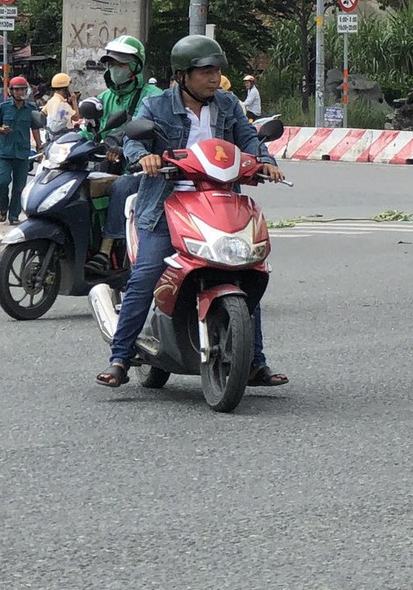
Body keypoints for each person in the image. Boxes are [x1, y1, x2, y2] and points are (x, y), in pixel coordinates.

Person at [97, 34, 287, 390]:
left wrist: (264, 162)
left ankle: (254, 361)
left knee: (245, 272)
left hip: (219, 201)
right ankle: (120, 357)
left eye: (216, 71)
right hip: (167, 205)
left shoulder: (228, 104)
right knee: (146, 275)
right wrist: (144, 157)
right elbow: (133, 138)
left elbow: (249, 139)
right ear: (182, 74)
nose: (214, 78)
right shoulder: (157, 106)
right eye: (205, 72)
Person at [94, 36, 164, 254]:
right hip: (106, 164)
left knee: (120, 188)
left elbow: (157, 136)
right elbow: (90, 129)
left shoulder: (153, 98)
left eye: (121, 64)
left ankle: (106, 249)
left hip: (140, 169)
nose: (115, 69)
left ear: (135, 66)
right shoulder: (104, 97)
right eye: (111, 64)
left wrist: (134, 153)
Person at [0, 76, 43, 224]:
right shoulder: (4, 107)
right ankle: (3, 207)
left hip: (23, 152)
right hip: (5, 151)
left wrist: (39, 146)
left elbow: (35, 128)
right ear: (11, 91)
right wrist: (1, 129)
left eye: (23, 89)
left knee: (19, 187)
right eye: (17, 89)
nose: (20, 92)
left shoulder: (32, 109)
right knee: (3, 181)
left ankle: (14, 216)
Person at [42, 72, 77, 139]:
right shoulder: (63, 104)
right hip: (64, 138)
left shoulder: (51, 101)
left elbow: (42, 113)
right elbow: (76, 117)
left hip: (51, 137)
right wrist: (74, 101)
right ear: (64, 89)